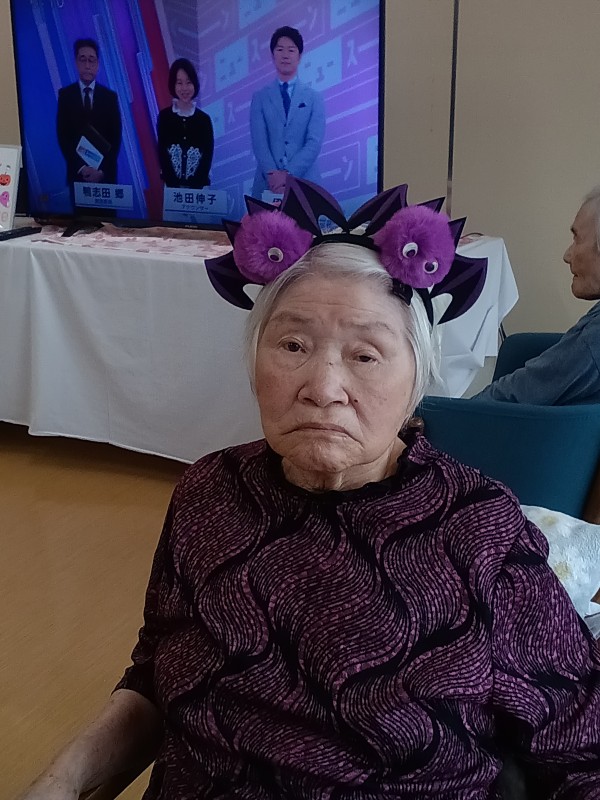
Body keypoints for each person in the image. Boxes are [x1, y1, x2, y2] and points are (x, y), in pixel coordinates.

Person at [17, 180, 600, 799]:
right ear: (253, 363)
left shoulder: (480, 529)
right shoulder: (209, 491)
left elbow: (580, 751)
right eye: (293, 345)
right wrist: (62, 781)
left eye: (366, 356)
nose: (323, 388)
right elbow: (158, 670)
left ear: (416, 383)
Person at [474, 186, 600, 404]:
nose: (567, 255)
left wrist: (447, 414)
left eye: (577, 239)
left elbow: (518, 394)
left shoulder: (592, 344)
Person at [250, 26, 325, 198]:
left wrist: (288, 174)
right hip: (267, 184)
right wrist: (273, 175)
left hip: (306, 183)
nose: (285, 55)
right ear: (272, 55)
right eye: (280, 49)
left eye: (291, 50)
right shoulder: (260, 97)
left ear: (299, 56)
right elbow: (259, 142)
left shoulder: (314, 98)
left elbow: (313, 143)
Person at [56, 38, 122, 190]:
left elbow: (116, 138)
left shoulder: (110, 97)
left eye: (91, 60)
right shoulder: (65, 95)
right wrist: (82, 168)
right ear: (76, 62)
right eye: (83, 59)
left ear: (97, 64)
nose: (87, 65)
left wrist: (101, 172)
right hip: (77, 176)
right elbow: (63, 137)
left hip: (105, 178)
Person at [156, 58, 214, 189]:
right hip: (171, 189)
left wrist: (194, 188)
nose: (184, 88)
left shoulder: (204, 120)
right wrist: (174, 186)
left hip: (198, 190)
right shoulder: (165, 117)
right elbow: (162, 153)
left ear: (194, 84)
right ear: (173, 85)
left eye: (188, 82)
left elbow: (207, 157)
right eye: (179, 83)